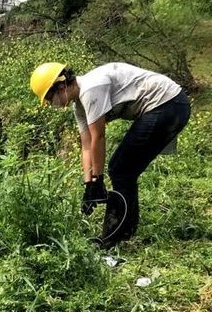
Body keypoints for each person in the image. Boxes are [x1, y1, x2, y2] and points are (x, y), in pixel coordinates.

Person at [29, 62, 190, 249]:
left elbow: (99, 137)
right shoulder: (79, 106)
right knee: (125, 171)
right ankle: (126, 230)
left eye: (50, 99)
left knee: (120, 169)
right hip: (168, 106)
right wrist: (89, 184)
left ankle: (112, 237)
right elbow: (87, 145)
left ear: (60, 86)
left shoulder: (91, 89)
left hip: (168, 104)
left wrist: (99, 179)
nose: (52, 104)